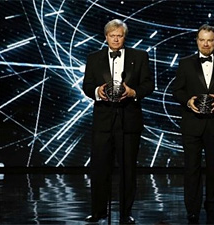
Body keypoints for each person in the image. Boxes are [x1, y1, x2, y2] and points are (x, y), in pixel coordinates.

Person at [82, 19, 154, 224]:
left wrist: (133, 92)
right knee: (99, 168)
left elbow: (149, 84)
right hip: (103, 121)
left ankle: (125, 212)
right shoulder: (94, 58)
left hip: (129, 119)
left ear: (124, 37)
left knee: (128, 168)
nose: (115, 38)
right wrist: (98, 92)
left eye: (119, 35)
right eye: (112, 35)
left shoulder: (139, 57)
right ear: (106, 37)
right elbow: (87, 85)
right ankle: (98, 211)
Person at [172, 24, 214, 224]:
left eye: (209, 40)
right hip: (192, 124)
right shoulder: (185, 63)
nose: (206, 43)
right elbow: (177, 90)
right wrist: (188, 100)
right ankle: (192, 210)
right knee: (191, 168)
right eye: (202, 40)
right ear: (197, 41)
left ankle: (212, 207)